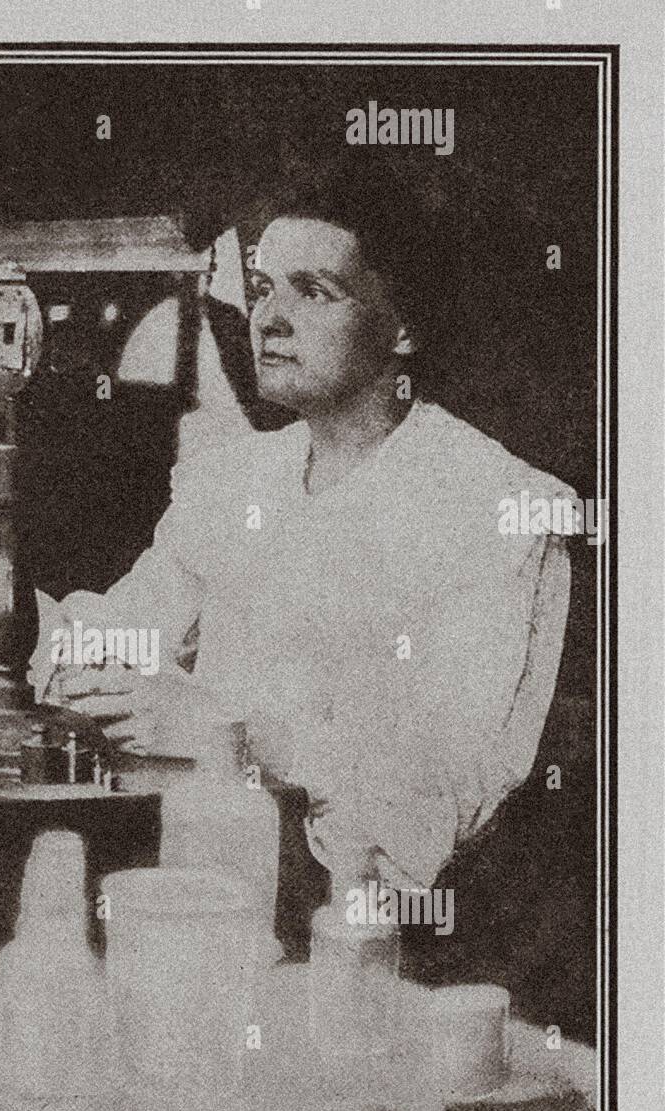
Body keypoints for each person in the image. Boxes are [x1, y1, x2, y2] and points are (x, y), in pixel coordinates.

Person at [31, 165, 576, 897]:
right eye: (262, 289)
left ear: (403, 326)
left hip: (368, 926)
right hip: (194, 872)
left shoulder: (495, 507)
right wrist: (3, 627)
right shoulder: (235, 481)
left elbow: (436, 802)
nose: (270, 318)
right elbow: (118, 636)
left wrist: (231, 730)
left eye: (314, 291)